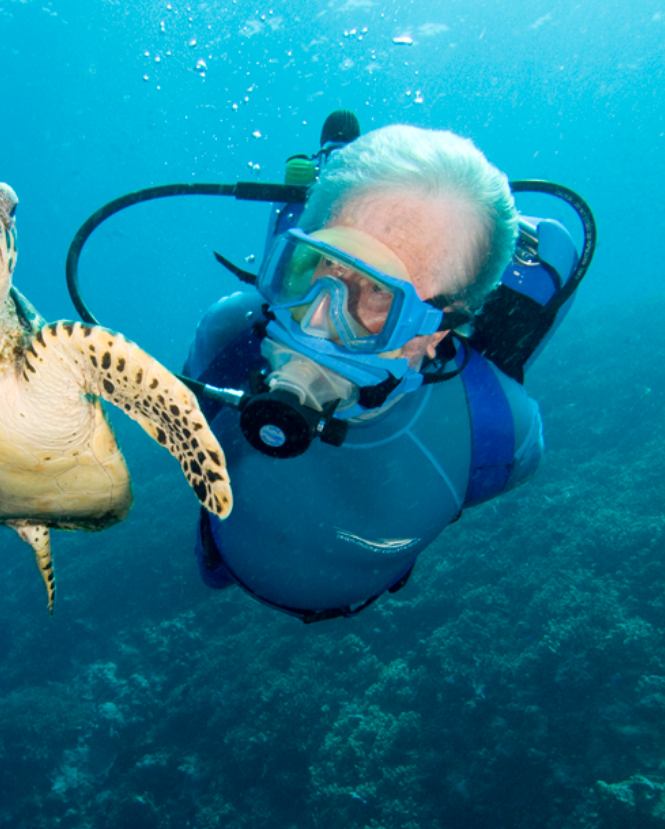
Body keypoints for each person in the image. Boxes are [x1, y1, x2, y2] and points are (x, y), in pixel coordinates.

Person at [184, 124, 544, 622]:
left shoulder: (499, 429)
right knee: (211, 571)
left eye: (377, 292)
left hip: (349, 597)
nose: (315, 320)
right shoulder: (228, 335)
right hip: (228, 557)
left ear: (437, 330)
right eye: (318, 264)